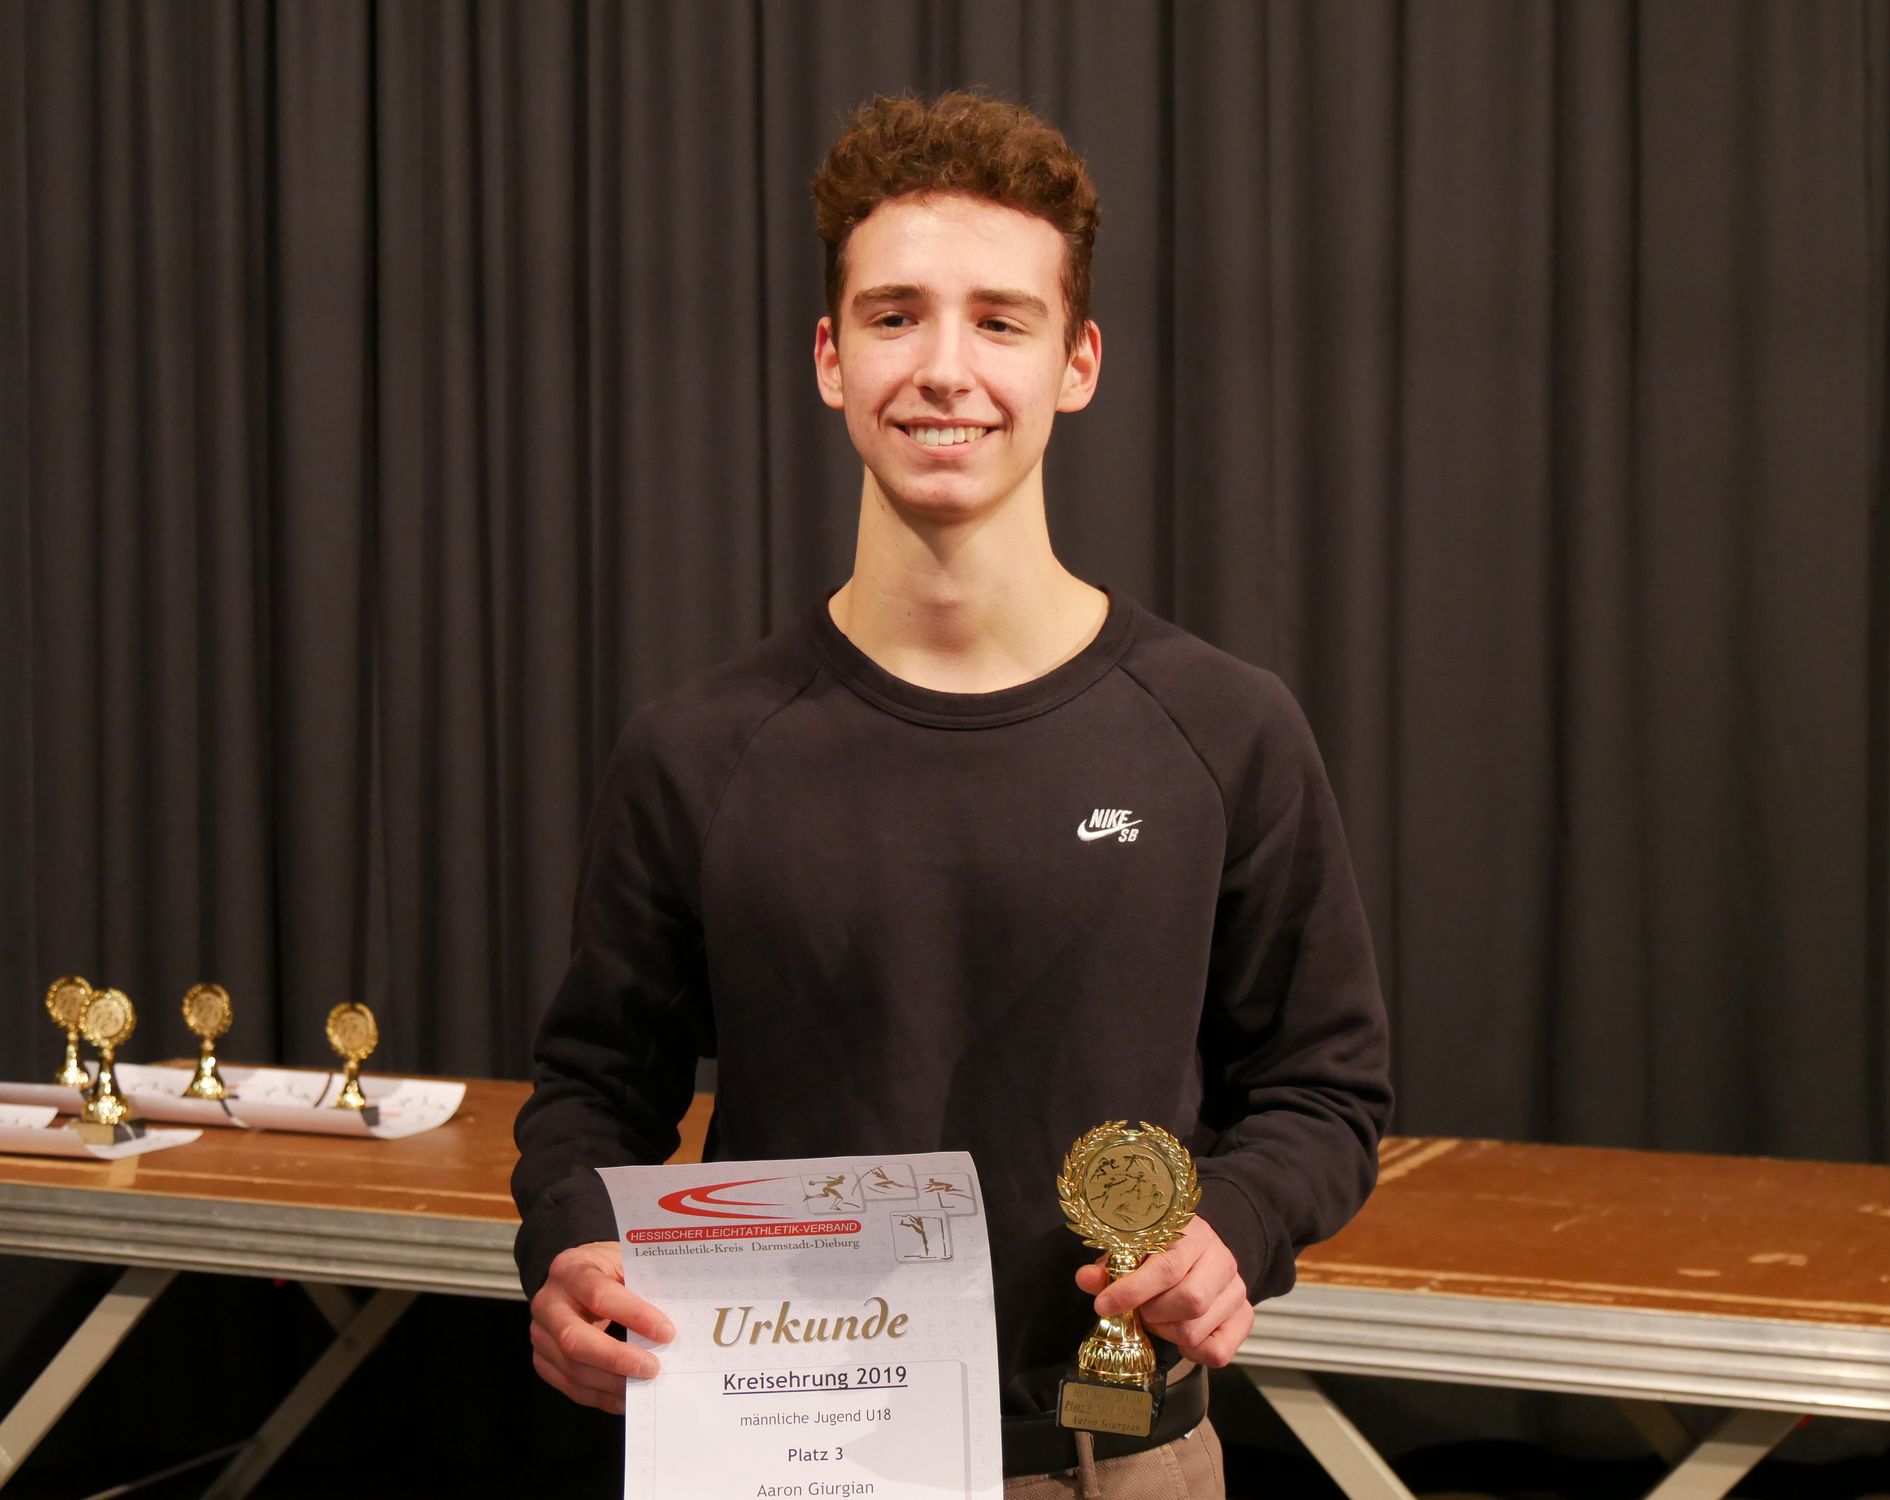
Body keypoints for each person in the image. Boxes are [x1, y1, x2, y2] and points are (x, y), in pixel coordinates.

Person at [511, 90, 1393, 1498]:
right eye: (894, 315)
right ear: (829, 356)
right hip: (784, 1455)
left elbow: (1322, 1088)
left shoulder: (1226, 730)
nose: (943, 369)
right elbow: (591, 1092)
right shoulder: (698, 750)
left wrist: (1233, 1224)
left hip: (1119, 1457)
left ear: (1076, 363)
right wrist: (568, 1240)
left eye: (1000, 321)